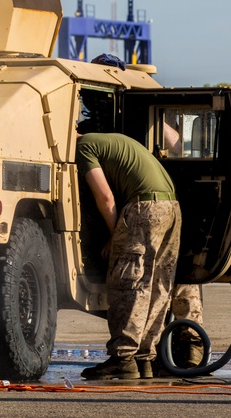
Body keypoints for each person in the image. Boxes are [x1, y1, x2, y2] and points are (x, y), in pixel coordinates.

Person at [75, 130, 182, 380]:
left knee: (129, 283)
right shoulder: (113, 141)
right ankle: (145, 358)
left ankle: (122, 359)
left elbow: (105, 197)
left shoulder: (84, 148)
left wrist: (115, 235)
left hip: (145, 208)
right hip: (172, 208)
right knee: (158, 286)